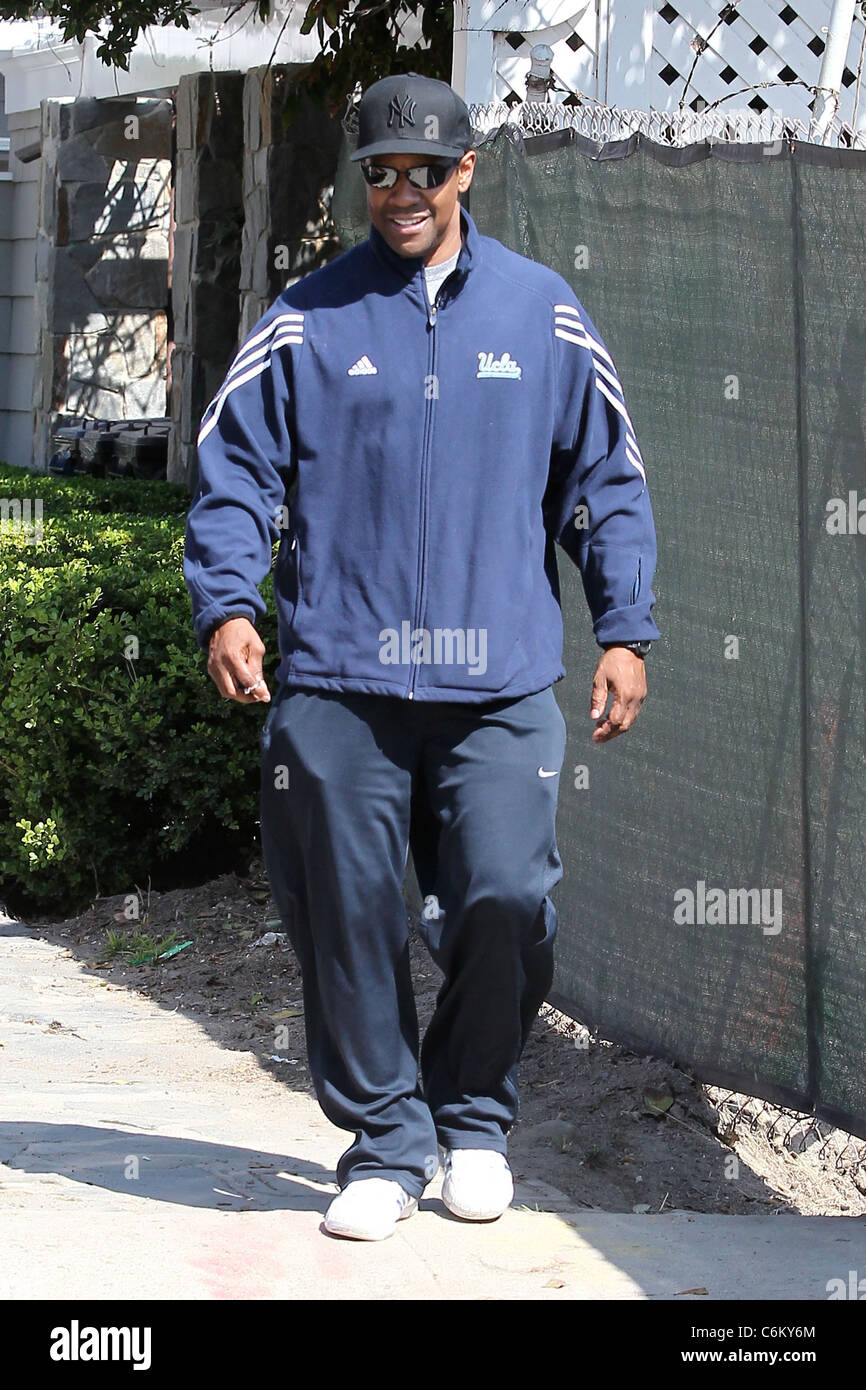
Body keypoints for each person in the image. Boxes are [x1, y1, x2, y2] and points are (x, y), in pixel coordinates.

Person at [183, 72, 660, 1242]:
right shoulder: (305, 318)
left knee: (504, 896)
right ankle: (386, 1143)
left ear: (466, 173)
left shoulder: (542, 315)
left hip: (496, 681)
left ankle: (475, 1123)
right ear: (364, 181)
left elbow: (603, 481)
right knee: (343, 913)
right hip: (339, 679)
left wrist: (624, 626)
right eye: (380, 173)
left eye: (424, 171)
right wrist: (226, 607)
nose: (401, 192)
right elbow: (234, 473)